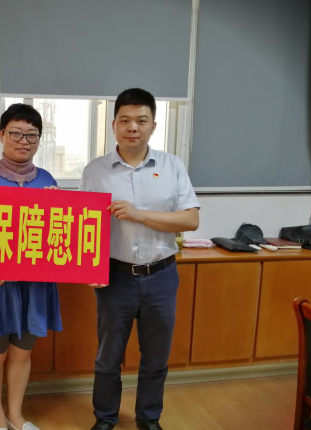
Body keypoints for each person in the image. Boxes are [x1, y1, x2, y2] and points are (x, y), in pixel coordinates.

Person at [80, 88, 200, 430]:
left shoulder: (172, 166)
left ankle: (149, 419)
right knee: (108, 356)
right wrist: (88, 266)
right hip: (114, 276)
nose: (133, 127)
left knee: (156, 357)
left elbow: (191, 219)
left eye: (141, 120)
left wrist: (139, 214)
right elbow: (85, 224)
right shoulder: (95, 171)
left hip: (161, 276)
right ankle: (105, 418)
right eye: (125, 120)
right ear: (114, 125)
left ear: (153, 126)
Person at [0, 104, 63, 430]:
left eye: (32, 135)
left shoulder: (47, 181)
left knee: (22, 354)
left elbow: (57, 238)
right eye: (16, 133)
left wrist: (59, 206)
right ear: (2, 135)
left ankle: (15, 416)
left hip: (34, 285)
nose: (24, 141)